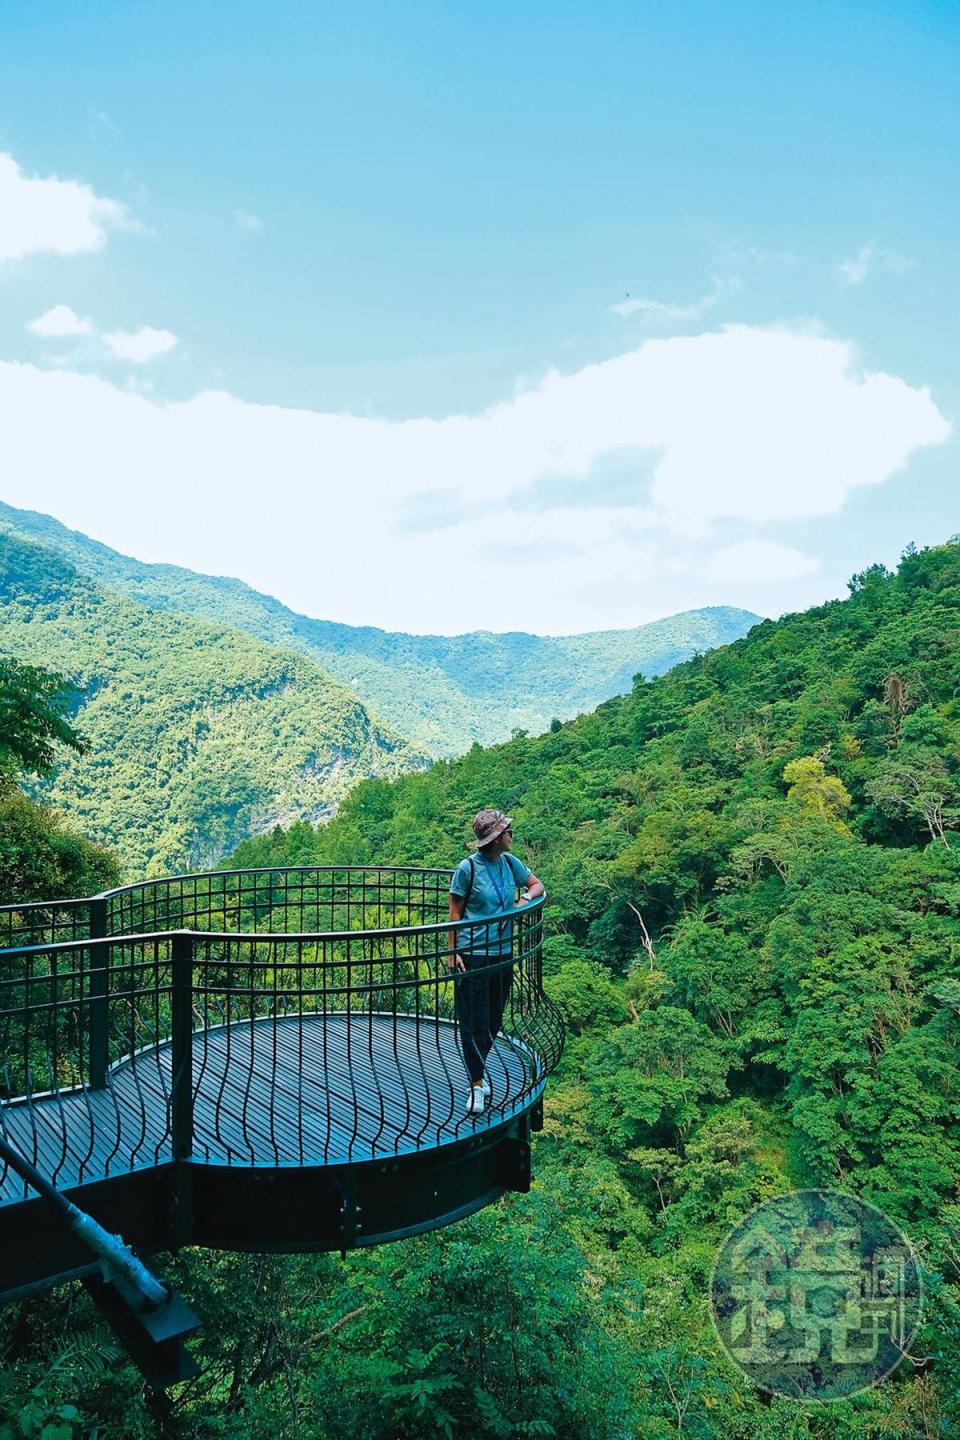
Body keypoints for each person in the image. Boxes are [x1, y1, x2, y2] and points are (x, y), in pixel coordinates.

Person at [448, 809, 545, 1115]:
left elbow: (537, 885)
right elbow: (454, 914)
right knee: (473, 1023)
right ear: (495, 838)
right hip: (473, 954)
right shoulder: (467, 870)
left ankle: (479, 1071)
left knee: (493, 1021)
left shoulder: (509, 863)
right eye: (507, 831)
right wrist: (453, 952)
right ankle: (476, 1083)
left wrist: (523, 901)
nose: (511, 835)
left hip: (502, 953)